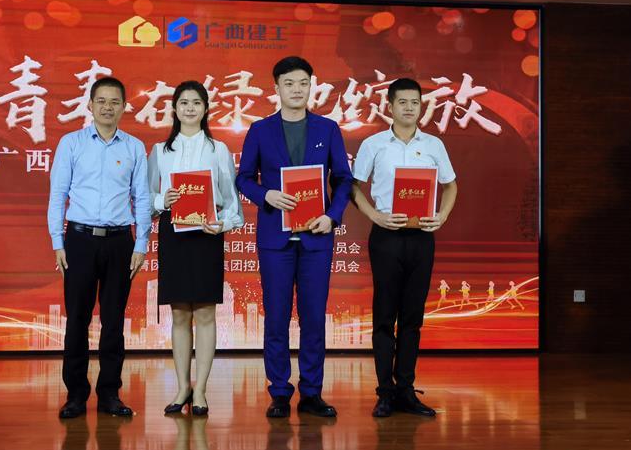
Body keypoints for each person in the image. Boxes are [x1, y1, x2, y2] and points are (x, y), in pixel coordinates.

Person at [236, 56, 353, 419]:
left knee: (313, 317)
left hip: (317, 238)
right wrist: (266, 195)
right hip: (276, 239)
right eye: (289, 83)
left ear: (311, 86)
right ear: (277, 88)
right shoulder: (260, 130)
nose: (297, 89)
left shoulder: (327, 129)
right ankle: (279, 392)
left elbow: (343, 179)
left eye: (303, 83)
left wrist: (332, 216)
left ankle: (312, 392)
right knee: (276, 317)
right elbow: (243, 178)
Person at [352, 77, 458, 418]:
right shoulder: (374, 144)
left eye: (415, 102)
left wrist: (441, 216)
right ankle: (385, 392)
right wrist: (375, 216)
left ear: (421, 106)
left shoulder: (434, 145)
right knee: (385, 315)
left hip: (422, 238)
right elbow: (353, 187)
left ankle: (406, 390)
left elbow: (451, 185)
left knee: (413, 317)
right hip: (386, 237)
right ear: (390, 106)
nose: (410, 108)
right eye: (403, 102)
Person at [48, 76, 151, 419]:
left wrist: (141, 243)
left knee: (113, 320)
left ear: (124, 107)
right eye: (101, 101)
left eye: (115, 101)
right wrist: (57, 241)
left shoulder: (134, 147)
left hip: (120, 242)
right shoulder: (71, 143)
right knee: (77, 319)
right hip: (79, 240)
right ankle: (75, 395)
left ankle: (110, 393)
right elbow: (58, 195)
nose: (108, 107)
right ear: (90, 105)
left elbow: (142, 198)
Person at [148, 81, 244, 417]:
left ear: (205, 109)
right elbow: (146, 199)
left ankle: (200, 389)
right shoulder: (160, 151)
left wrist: (223, 224)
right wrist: (163, 200)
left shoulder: (218, 150)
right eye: (184, 103)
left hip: (206, 235)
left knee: (204, 313)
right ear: (174, 109)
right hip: (174, 235)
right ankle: (182, 387)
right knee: (178, 314)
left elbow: (232, 203)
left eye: (196, 103)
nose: (190, 108)